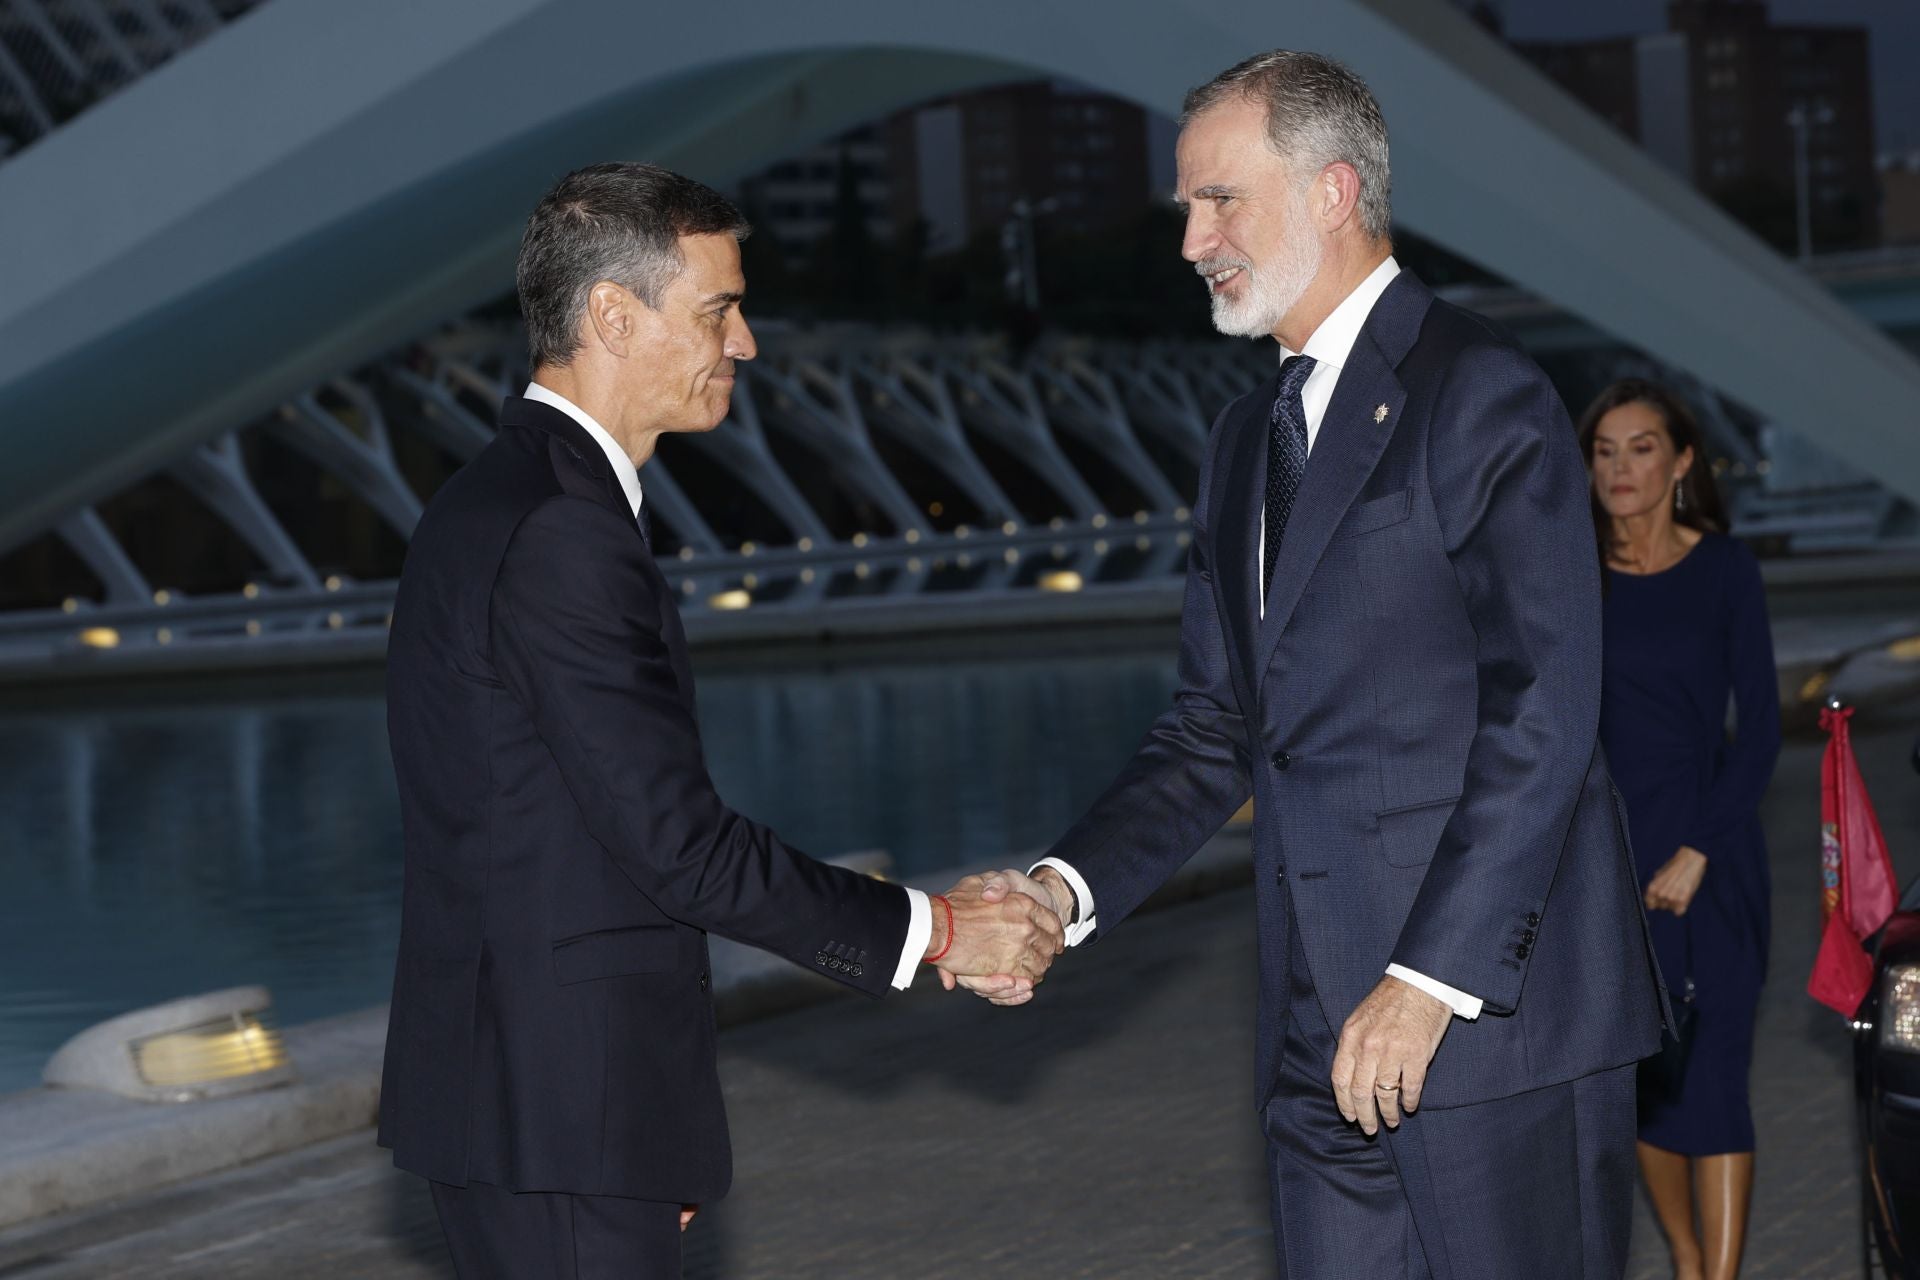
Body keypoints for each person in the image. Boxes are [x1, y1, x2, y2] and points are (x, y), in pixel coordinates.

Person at [980, 50, 1664, 1278]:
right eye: (1189, 206)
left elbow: (1544, 713)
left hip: (1484, 1030)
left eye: (1219, 199)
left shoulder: (1484, 390)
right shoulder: (1246, 438)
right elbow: (1212, 727)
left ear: (1334, 191)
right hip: (1314, 1035)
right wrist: (1060, 889)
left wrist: (1428, 977)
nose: (1191, 239)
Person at [377, 162, 1064, 1278]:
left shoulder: (499, 497)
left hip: (544, 1108)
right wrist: (937, 928)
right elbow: (679, 847)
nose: (742, 343)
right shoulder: (561, 530)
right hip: (564, 1117)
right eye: (717, 309)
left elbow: (556, 840)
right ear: (612, 313)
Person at [1581, 379, 1780, 1280]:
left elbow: (1765, 729)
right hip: (1613, 868)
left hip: (1717, 855)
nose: (1622, 469)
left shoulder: (1727, 570)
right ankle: (1692, 1261)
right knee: (1648, 1091)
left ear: (1682, 462)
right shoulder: (1571, 577)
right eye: (1605, 451)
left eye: (1642, 448)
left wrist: (1702, 848)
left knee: (1721, 1079)